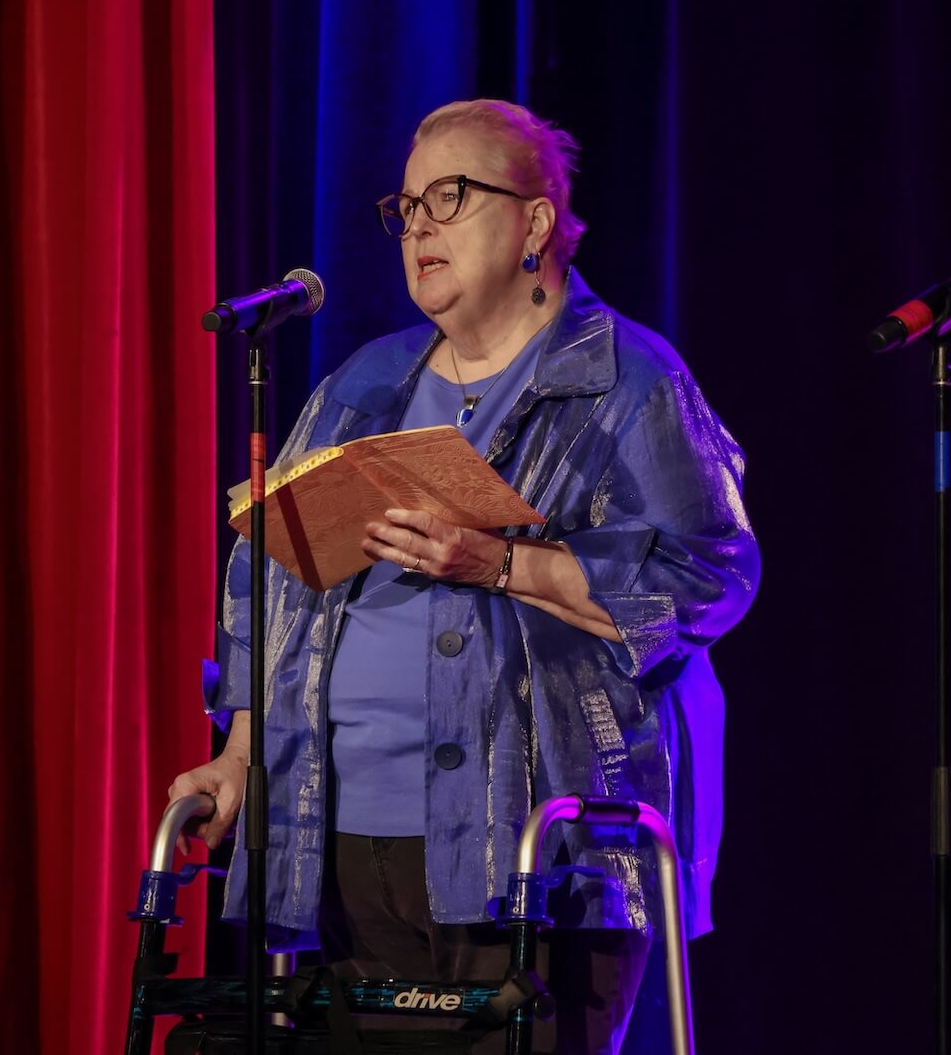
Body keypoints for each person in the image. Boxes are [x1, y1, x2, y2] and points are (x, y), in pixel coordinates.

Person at [168, 98, 759, 1054]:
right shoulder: (366, 382)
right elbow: (268, 585)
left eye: (451, 196)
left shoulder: (628, 380)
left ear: (534, 221)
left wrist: (499, 561)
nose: (421, 228)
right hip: (344, 832)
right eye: (405, 209)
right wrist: (240, 758)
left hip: (538, 845)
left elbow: (708, 579)